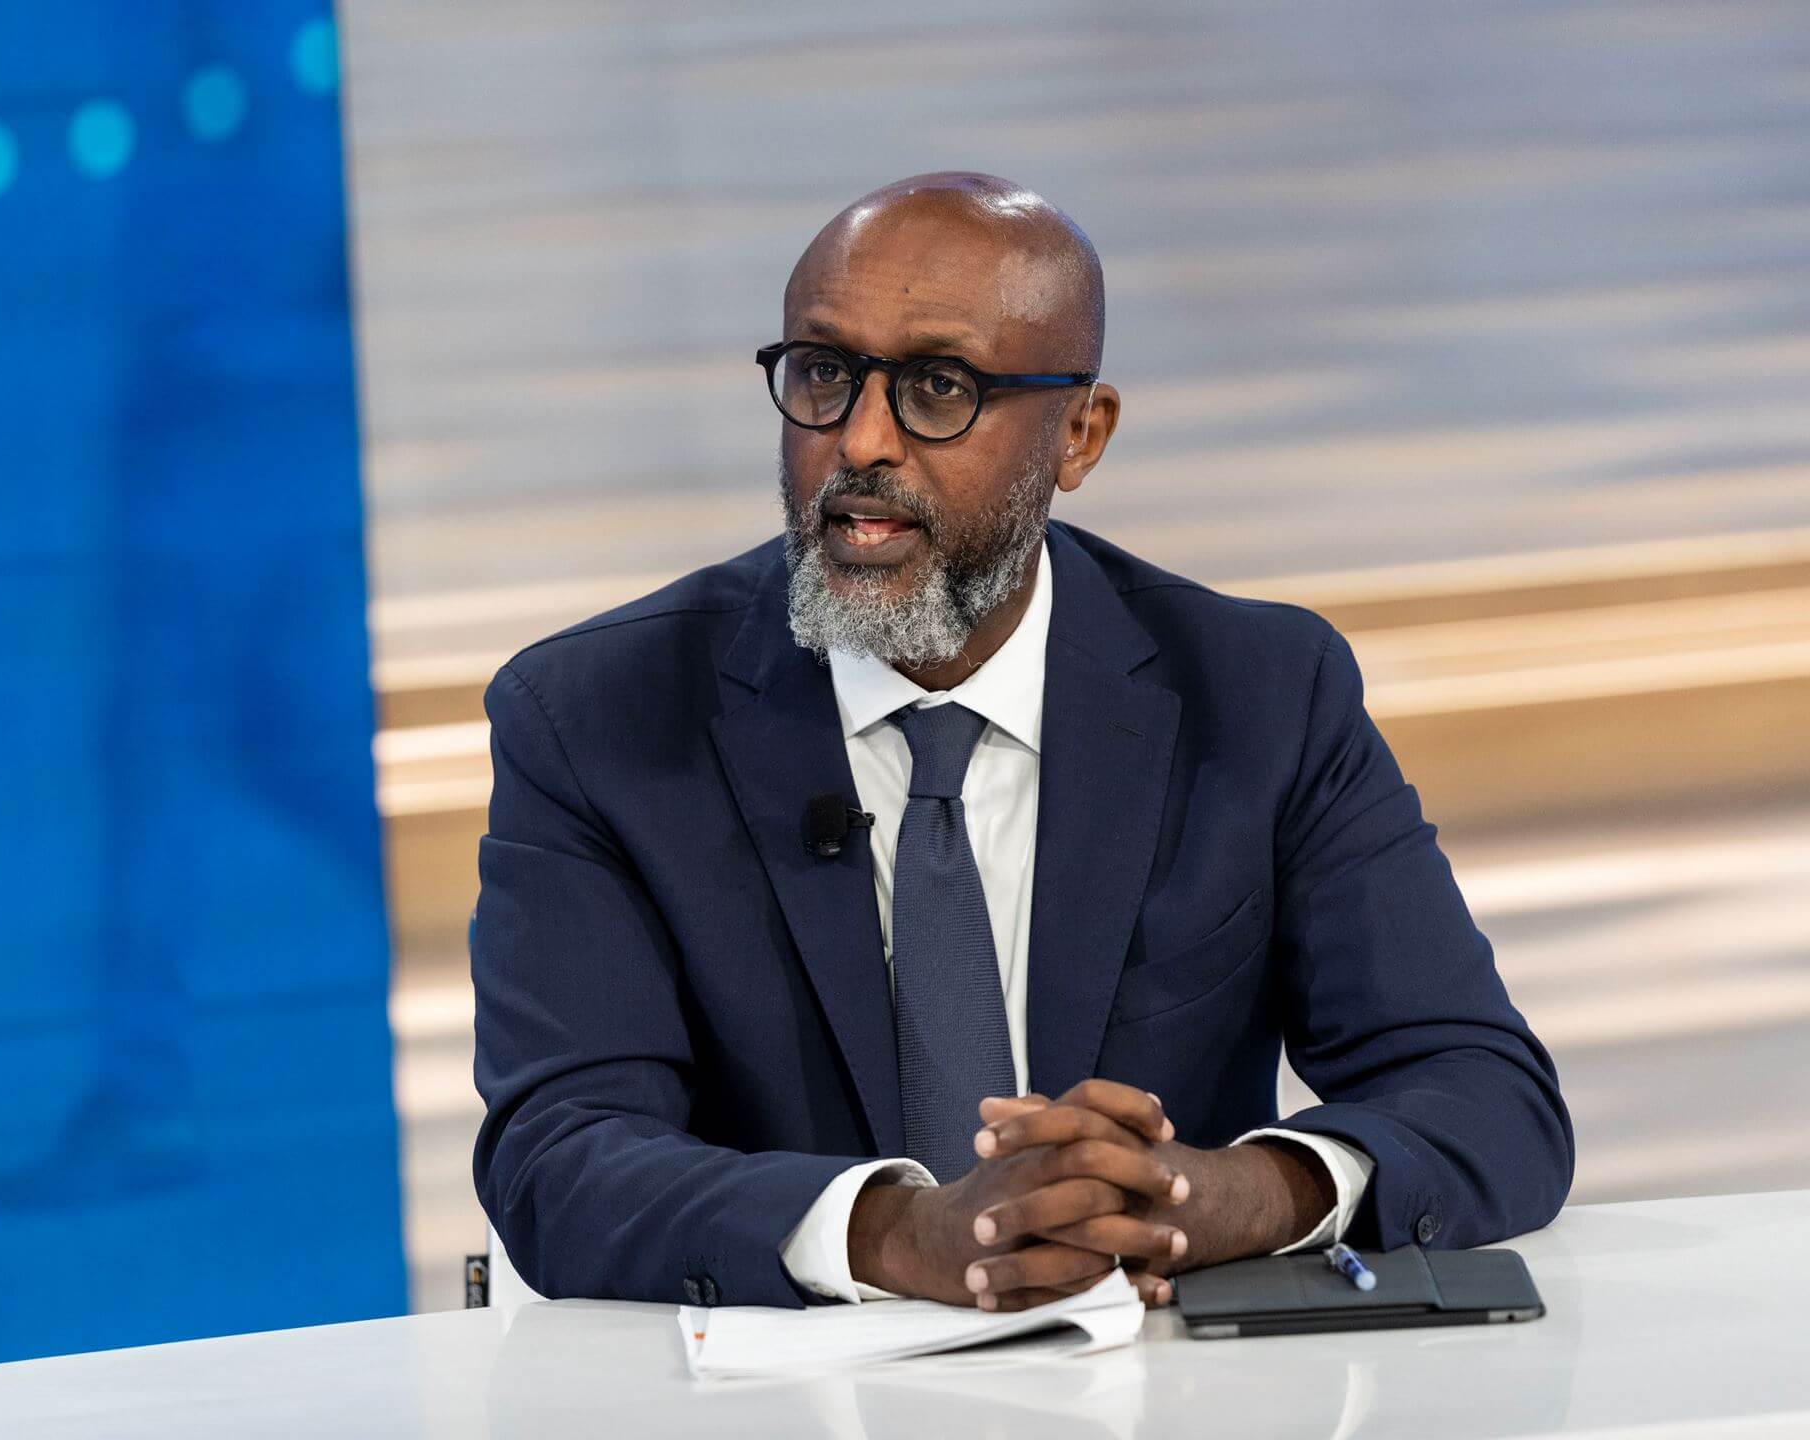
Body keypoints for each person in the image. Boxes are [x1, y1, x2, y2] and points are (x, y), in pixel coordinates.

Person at [471, 172, 1573, 1312]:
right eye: (824, 373)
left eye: (939, 387)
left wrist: (1225, 1198)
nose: (861, 440)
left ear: (1079, 435)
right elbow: (560, 1159)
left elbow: (1485, 1096)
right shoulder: (597, 719)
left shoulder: (1258, 695)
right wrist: (898, 1235)